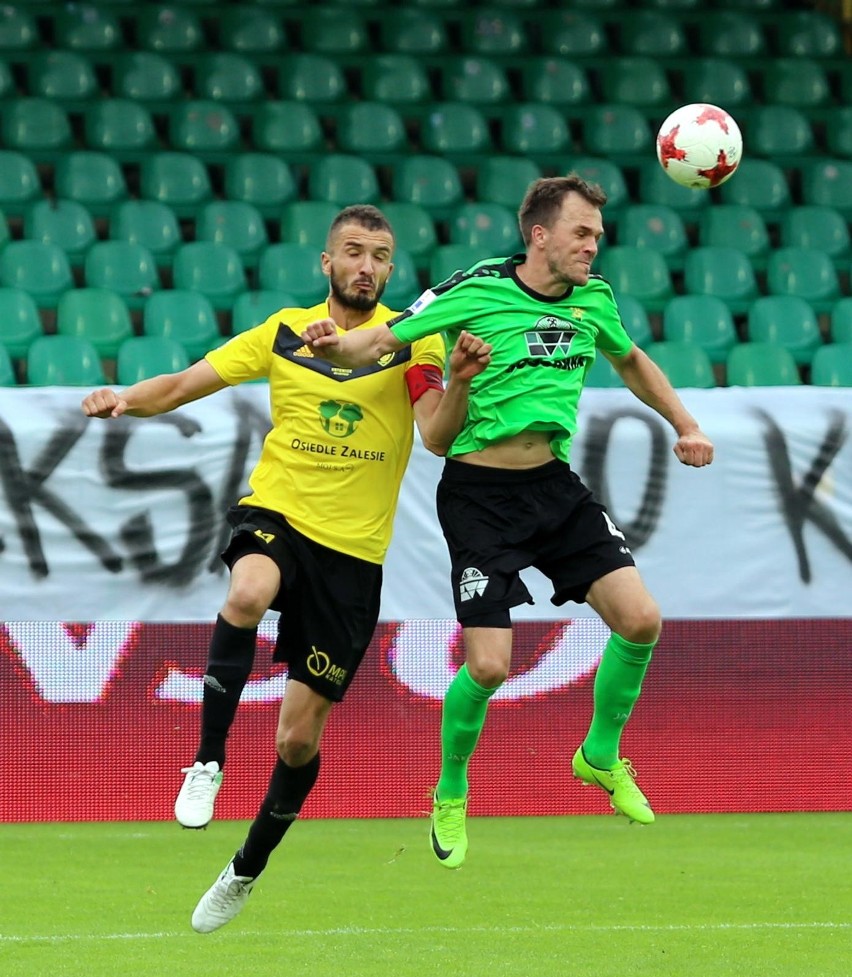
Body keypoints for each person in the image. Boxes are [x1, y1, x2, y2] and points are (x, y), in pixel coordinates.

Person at [81, 204, 492, 928]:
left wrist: (456, 378)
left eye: (381, 255)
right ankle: (207, 761)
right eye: (354, 252)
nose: (367, 265)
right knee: (247, 591)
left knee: (299, 740)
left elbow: (435, 436)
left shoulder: (411, 342)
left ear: (391, 271)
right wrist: (124, 401)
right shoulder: (283, 331)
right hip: (278, 514)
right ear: (326, 264)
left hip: (353, 556)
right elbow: (183, 384)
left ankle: (245, 870)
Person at [301, 176, 715, 870]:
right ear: (540, 235)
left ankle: (600, 755)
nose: (595, 244)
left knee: (641, 620)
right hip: (478, 497)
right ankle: (452, 788)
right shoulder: (477, 288)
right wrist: (329, 347)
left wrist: (685, 423)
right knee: (490, 665)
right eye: (582, 232)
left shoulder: (595, 299)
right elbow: (381, 340)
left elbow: (632, 360)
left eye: (598, 234)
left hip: (554, 489)